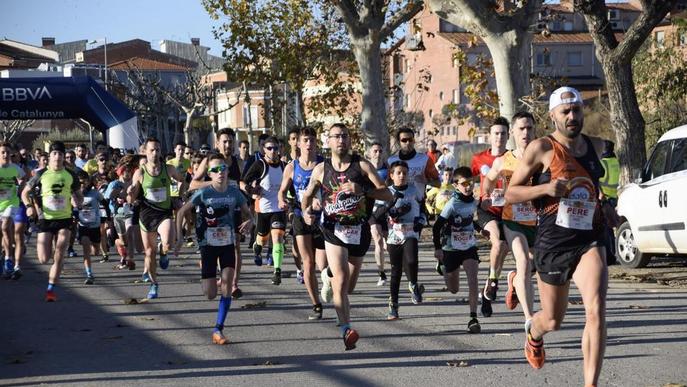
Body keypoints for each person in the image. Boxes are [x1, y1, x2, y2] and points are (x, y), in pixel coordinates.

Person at [505, 87, 611, 386]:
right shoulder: (541, 148)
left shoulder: (597, 146)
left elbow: (598, 186)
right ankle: (533, 333)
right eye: (565, 111)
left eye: (576, 110)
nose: (572, 116)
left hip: (589, 236)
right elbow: (511, 193)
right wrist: (545, 189)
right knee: (552, 319)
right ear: (552, 115)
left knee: (597, 307)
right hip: (553, 241)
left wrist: (608, 206)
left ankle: (591, 383)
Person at [301, 123, 392, 350]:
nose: (341, 140)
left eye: (345, 136)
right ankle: (346, 329)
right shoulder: (321, 170)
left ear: (350, 140)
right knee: (341, 283)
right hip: (333, 230)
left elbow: (388, 194)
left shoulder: (362, 166)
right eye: (336, 136)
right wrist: (305, 212)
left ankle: (328, 273)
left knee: (348, 287)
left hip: (359, 231)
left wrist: (365, 191)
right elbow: (307, 194)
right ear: (329, 141)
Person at [175, 154, 253, 345]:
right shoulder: (204, 193)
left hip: (227, 244)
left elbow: (248, 213)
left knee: (227, 282)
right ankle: (209, 274)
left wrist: (250, 221)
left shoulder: (234, 192)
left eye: (223, 168)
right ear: (209, 174)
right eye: (216, 170)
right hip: (208, 245)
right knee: (210, 294)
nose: (220, 173)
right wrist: (179, 238)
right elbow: (181, 211)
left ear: (227, 171)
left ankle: (218, 328)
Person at [483, 111, 538, 324]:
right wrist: (488, 195)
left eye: (529, 128)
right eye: (521, 128)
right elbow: (488, 180)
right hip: (513, 219)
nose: (525, 132)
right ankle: (529, 319)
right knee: (523, 260)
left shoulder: (543, 156)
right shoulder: (503, 161)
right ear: (513, 132)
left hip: (539, 220)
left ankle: (514, 279)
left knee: (540, 265)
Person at [21, 141, 82, 301]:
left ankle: (50, 289)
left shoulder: (71, 175)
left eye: (60, 154)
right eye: (54, 154)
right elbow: (25, 193)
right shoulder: (40, 174)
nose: (57, 157)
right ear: (49, 157)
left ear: (63, 157)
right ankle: (52, 278)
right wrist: (29, 206)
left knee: (60, 252)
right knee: (43, 258)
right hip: (45, 219)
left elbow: (79, 196)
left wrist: (78, 201)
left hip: (65, 218)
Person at [190, 128, 246, 299]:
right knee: (211, 248)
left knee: (235, 244)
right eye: (225, 141)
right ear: (217, 143)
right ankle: (210, 270)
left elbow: (240, 183)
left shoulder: (239, 162)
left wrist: (248, 188)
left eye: (231, 141)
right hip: (211, 212)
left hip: (232, 210)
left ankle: (233, 284)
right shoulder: (208, 161)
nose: (228, 145)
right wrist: (214, 182)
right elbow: (193, 184)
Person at [278, 126, 327, 319]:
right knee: (308, 263)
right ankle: (316, 305)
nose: (309, 144)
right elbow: (282, 191)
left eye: (312, 140)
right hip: (300, 215)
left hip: (322, 217)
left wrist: (322, 200)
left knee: (322, 266)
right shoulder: (292, 167)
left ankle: (327, 285)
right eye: (305, 140)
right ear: (298, 143)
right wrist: (282, 200)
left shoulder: (324, 164)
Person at [129, 137, 186, 299]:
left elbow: (182, 180)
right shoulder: (140, 172)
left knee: (168, 241)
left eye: (158, 150)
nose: (155, 153)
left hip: (164, 212)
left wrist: (179, 196)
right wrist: (130, 192)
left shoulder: (168, 169)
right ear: (145, 152)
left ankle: (164, 251)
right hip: (146, 214)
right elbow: (133, 195)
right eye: (152, 150)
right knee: (149, 252)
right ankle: (154, 284)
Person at [374, 160, 425, 320]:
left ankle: (413, 284)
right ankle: (393, 306)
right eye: (398, 173)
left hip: (410, 232)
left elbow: (424, 210)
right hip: (393, 235)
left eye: (405, 173)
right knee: (396, 272)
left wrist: (420, 221)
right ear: (391, 175)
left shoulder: (414, 190)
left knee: (411, 260)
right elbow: (376, 215)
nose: (402, 176)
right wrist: (391, 203)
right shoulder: (385, 192)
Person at [432, 166, 481, 333]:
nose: (468, 186)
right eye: (464, 183)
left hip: (469, 247)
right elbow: (436, 226)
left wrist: (481, 230)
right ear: (456, 186)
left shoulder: (474, 202)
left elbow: (469, 220)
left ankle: (473, 318)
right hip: (450, 248)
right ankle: (442, 265)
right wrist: (438, 248)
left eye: (471, 183)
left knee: (473, 279)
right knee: (454, 289)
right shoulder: (452, 204)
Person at [471, 117, 510, 317]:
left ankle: (488, 288)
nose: (499, 137)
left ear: (508, 135)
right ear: (490, 136)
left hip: (509, 211)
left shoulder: (513, 158)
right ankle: (494, 281)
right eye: (496, 133)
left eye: (503, 133)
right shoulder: (478, 159)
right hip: (486, 211)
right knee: (498, 242)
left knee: (502, 250)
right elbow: (465, 181)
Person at [242, 136, 287, 285]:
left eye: (275, 148)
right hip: (263, 209)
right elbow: (243, 181)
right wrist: (252, 190)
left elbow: (291, 186)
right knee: (262, 239)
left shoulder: (284, 166)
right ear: (264, 150)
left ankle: (277, 271)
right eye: (269, 148)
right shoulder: (259, 165)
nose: (273, 151)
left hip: (278, 209)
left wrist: (292, 202)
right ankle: (257, 247)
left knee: (277, 239)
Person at [0, 143, 28, 279]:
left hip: (12, 203)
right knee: (2, 233)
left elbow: (24, 178)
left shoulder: (15, 168)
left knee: (6, 226)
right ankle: (5, 257)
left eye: (8, 153)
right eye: (3, 152)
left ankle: (9, 258)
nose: (6, 155)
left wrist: (19, 189)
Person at [76, 170, 109, 285]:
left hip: (95, 226)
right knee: (86, 248)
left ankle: (94, 245)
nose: (81, 185)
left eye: (83, 182)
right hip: (83, 225)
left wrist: (108, 217)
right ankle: (89, 274)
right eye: (79, 183)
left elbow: (105, 203)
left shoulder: (95, 193)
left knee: (95, 252)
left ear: (88, 181)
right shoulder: (74, 194)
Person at [104, 157, 137, 270]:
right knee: (123, 241)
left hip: (129, 213)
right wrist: (119, 192)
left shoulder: (134, 183)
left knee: (130, 231)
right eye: (125, 172)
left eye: (129, 172)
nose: (128, 174)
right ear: (120, 172)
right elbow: (107, 196)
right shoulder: (114, 184)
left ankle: (130, 260)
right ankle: (119, 246)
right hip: (117, 215)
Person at [368, 142, 389, 286]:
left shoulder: (388, 170)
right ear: (369, 154)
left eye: (380, 151)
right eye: (375, 151)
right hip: (371, 210)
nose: (378, 154)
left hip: (386, 209)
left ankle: (393, 267)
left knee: (389, 243)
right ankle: (381, 273)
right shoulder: (365, 170)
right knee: (378, 240)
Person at [599, 140, 619, 265]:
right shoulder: (615, 162)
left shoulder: (602, 163)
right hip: (613, 196)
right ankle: (613, 252)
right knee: (609, 227)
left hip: (604, 197)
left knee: (604, 228)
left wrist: (600, 196)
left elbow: (597, 180)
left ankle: (609, 254)